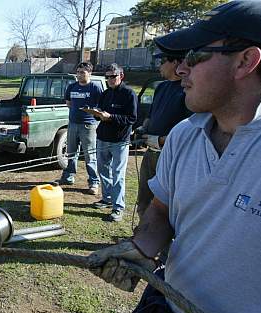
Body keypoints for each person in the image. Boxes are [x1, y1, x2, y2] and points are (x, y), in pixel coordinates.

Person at [88, 1, 261, 313]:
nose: (182, 68)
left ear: (246, 61)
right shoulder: (184, 135)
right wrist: (143, 246)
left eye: (196, 55)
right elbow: (161, 210)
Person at [136, 52, 191, 217]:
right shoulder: (161, 87)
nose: (159, 66)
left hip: (170, 156)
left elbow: (189, 131)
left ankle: (162, 241)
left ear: (176, 62)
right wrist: (143, 128)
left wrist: (159, 140)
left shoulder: (186, 90)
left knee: (165, 204)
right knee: (144, 198)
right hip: (150, 153)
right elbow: (151, 115)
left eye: (162, 61)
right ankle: (141, 237)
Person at [93, 64, 137, 222]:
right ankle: (107, 198)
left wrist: (110, 117)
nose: (110, 79)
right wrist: (96, 114)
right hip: (103, 138)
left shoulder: (129, 94)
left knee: (118, 175)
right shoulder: (105, 94)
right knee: (103, 170)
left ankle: (118, 207)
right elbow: (99, 114)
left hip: (120, 141)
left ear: (121, 76)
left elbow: (132, 119)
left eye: (113, 76)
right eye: (108, 77)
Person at [58, 61, 102, 195]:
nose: (79, 75)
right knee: (71, 152)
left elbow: (101, 106)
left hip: (89, 125)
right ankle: (68, 176)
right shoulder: (72, 87)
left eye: (82, 72)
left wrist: (91, 111)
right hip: (73, 124)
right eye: (78, 72)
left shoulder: (95, 88)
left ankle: (94, 182)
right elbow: (69, 103)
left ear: (90, 73)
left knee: (90, 155)